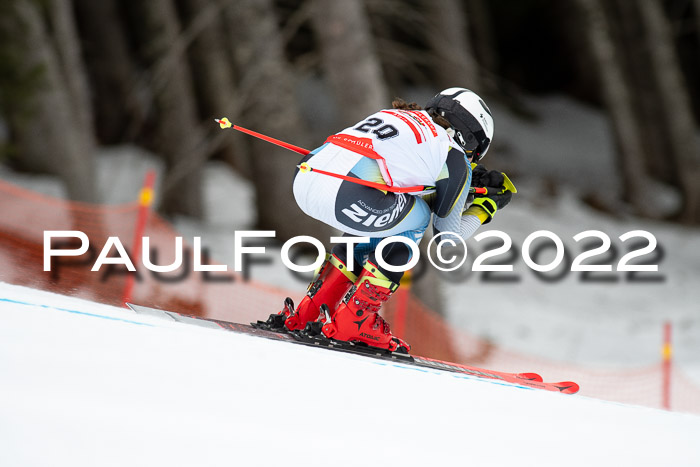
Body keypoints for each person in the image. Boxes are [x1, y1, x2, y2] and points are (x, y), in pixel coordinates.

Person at [262, 87, 516, 353]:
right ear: (472, 139)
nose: (472, 161)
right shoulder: (453, 156)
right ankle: (354, 319)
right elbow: (447, 239)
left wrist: (458, 188)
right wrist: (485, 207)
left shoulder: (399, 115)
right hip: (346, 193)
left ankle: (309, 313)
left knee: (391, 213)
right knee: (416, 219)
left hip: (304, 179)